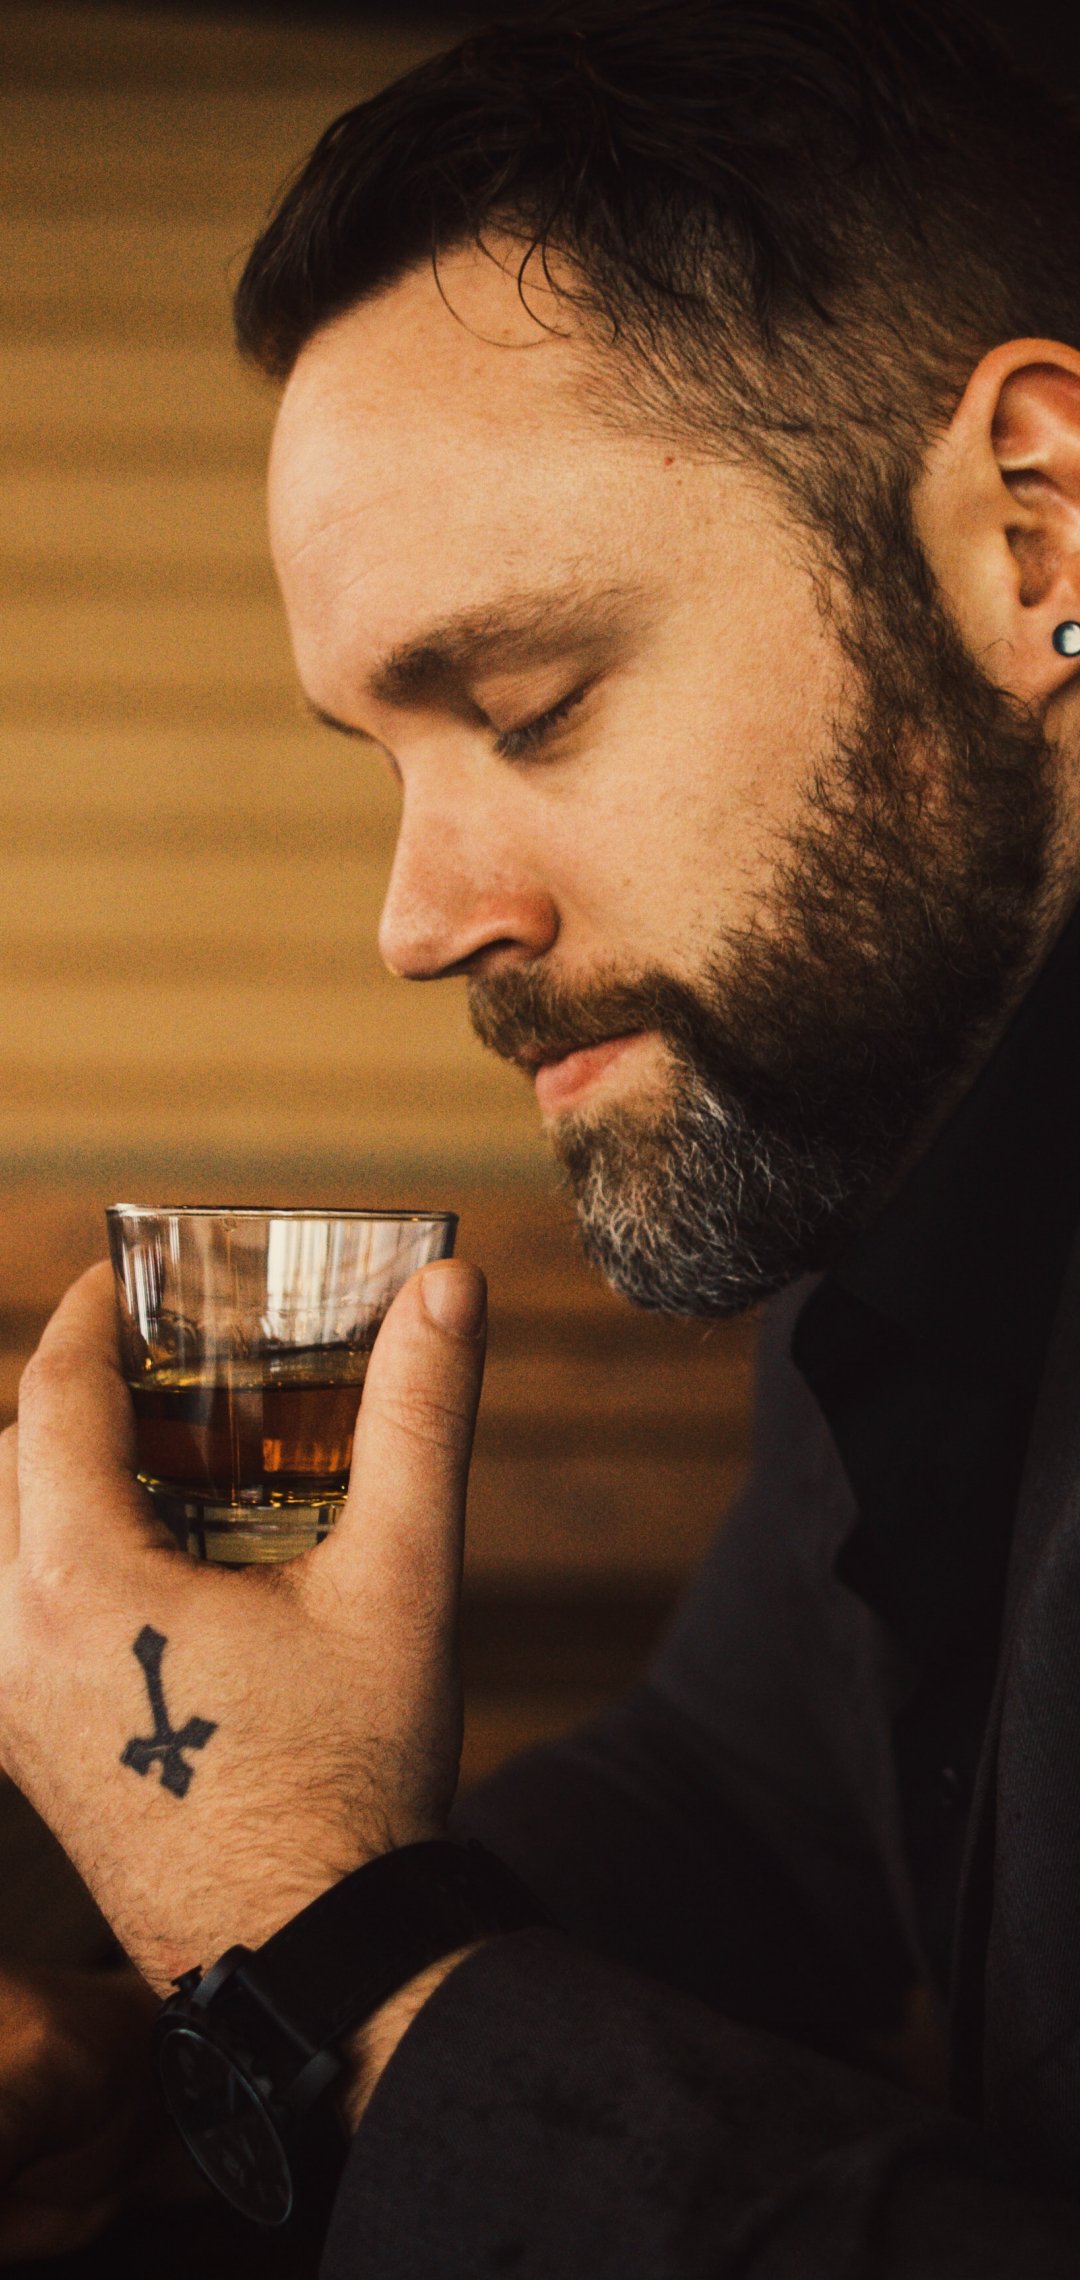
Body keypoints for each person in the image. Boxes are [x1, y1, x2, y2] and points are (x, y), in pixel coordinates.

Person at [3, 0, 1080, 2267]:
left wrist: (312, 1940)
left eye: (526, 704)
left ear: (1031, 533)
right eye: (385, 759)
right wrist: (192, 2058)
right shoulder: (900, 1133)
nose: (416, 925)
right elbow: (748, 1809)